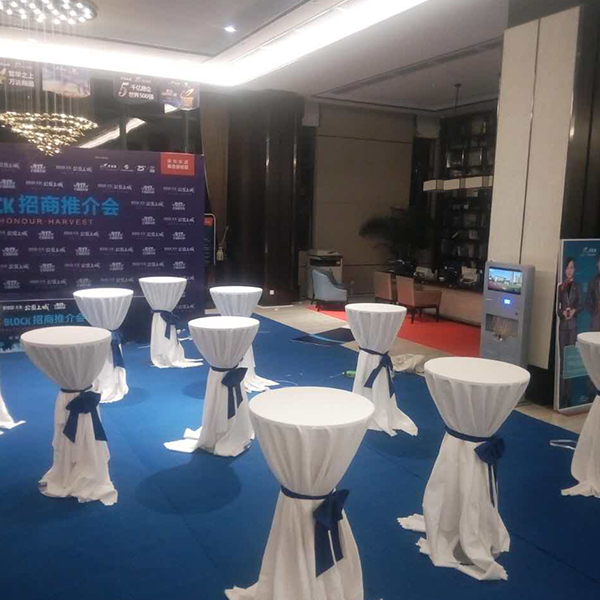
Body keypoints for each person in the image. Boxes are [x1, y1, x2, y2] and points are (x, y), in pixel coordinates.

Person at [557, 257, 582, 406]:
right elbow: (557, 308)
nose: (569, 270)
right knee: (562, 360)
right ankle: (561, 395)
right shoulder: (560, 286)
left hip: (572, 327)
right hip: (562, 327)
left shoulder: (578, 287)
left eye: (571, 268)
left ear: (575, 270)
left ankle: (569, 395)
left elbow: (581, 304)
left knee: (570, 360)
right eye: (567, 268)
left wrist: (573, 311)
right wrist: (562, 312)